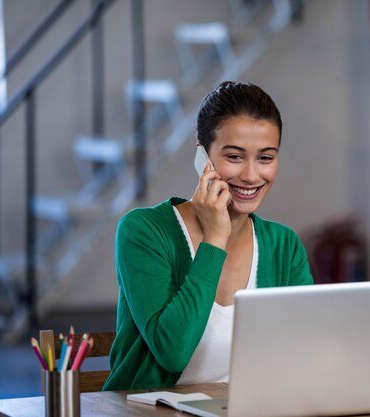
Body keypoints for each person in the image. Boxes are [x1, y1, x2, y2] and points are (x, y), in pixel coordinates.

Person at [103, 81, 314, 390]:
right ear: (203, 157)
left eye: (266, 158)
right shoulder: (143, 231)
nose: (252, 176)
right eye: (235, 157)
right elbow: (172, 353)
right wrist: (215, 239)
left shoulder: (284, 245)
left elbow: (304, 352)